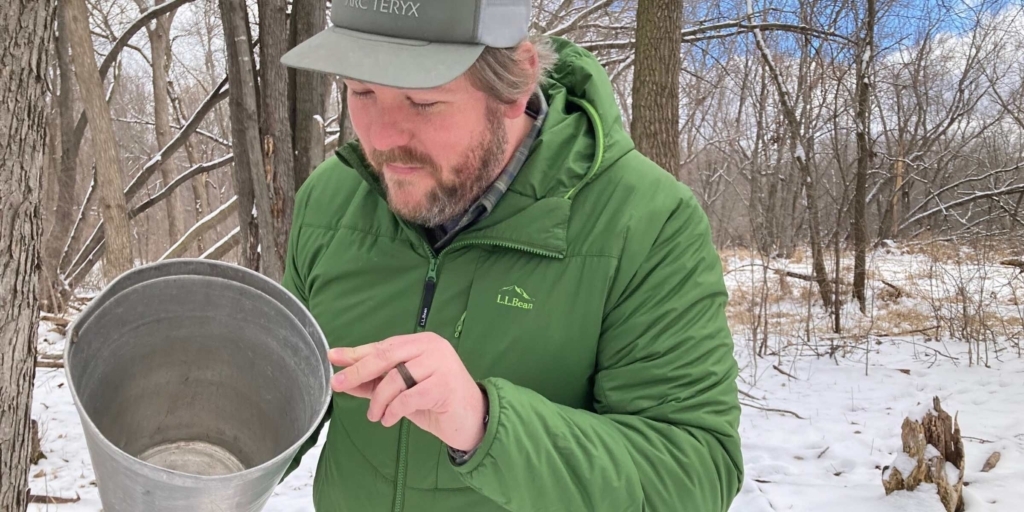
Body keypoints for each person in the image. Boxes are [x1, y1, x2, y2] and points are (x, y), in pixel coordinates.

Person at [277, 1, 744, 510]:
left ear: (516, 85)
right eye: (361, 91)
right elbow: (289, 395)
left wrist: (483, 425)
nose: (382, 138)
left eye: (423, 101)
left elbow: (694, 472)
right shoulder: (330, 199)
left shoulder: (646, 223)